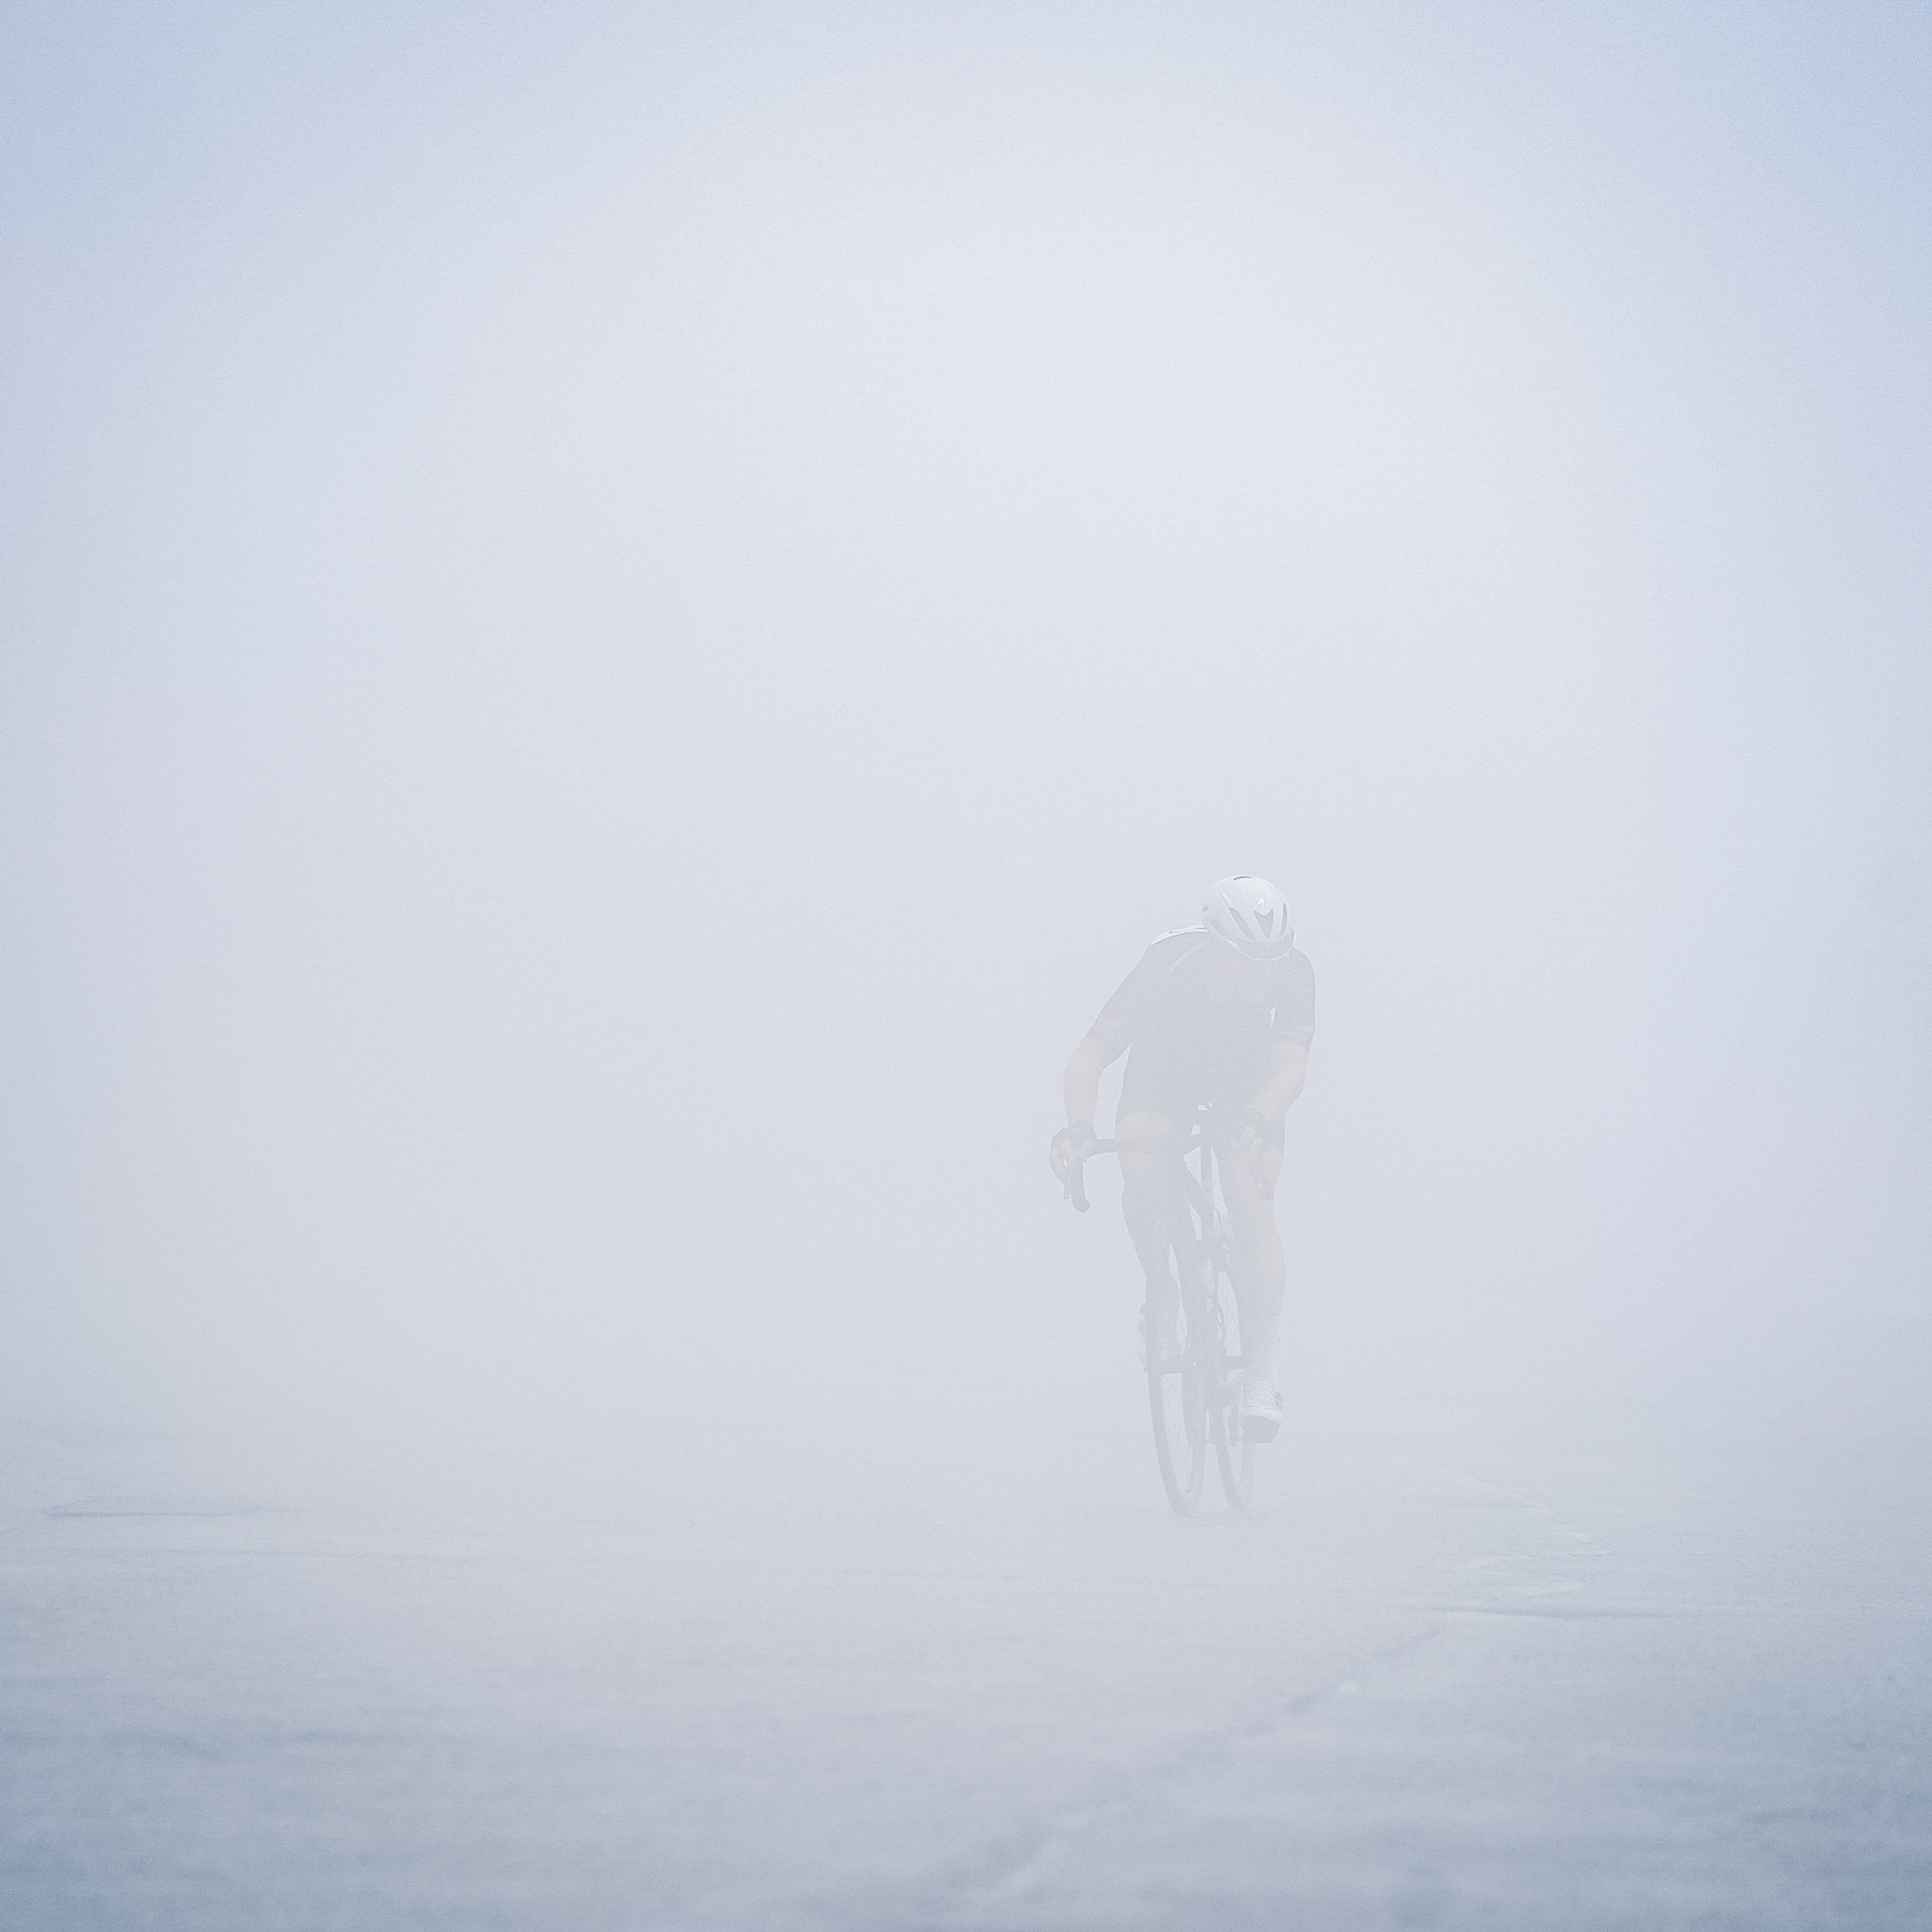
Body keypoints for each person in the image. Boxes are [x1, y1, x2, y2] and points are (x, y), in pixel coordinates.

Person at [1049, 875, 1314, 1441]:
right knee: (1142, 1170)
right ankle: (1162, 1292)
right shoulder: (1169, 963)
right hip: (1164, 1073)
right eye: (1248, 959)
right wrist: (1076, 1128)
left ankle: (1262, 1374)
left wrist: (1261, 1117)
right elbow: (1092, 1051)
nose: (1263, 973)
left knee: (1251, 1201)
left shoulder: (1292, 970)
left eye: (1271, 959)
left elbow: (1290, 1065)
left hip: (1245, 1087)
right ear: (1217, 946)